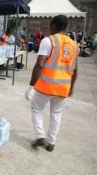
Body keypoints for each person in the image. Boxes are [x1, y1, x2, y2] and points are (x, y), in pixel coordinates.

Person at [25, 15, 79, 152]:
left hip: (47, 85)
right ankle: (51, 142)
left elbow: (39, 65)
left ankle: (40, 136)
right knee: (56, 113)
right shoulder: (74, 45)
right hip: (63, 87)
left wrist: (31, 86)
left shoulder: (48, 41)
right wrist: (71, 87)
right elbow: (75, 68)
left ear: (53, 26)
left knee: (36, 108)